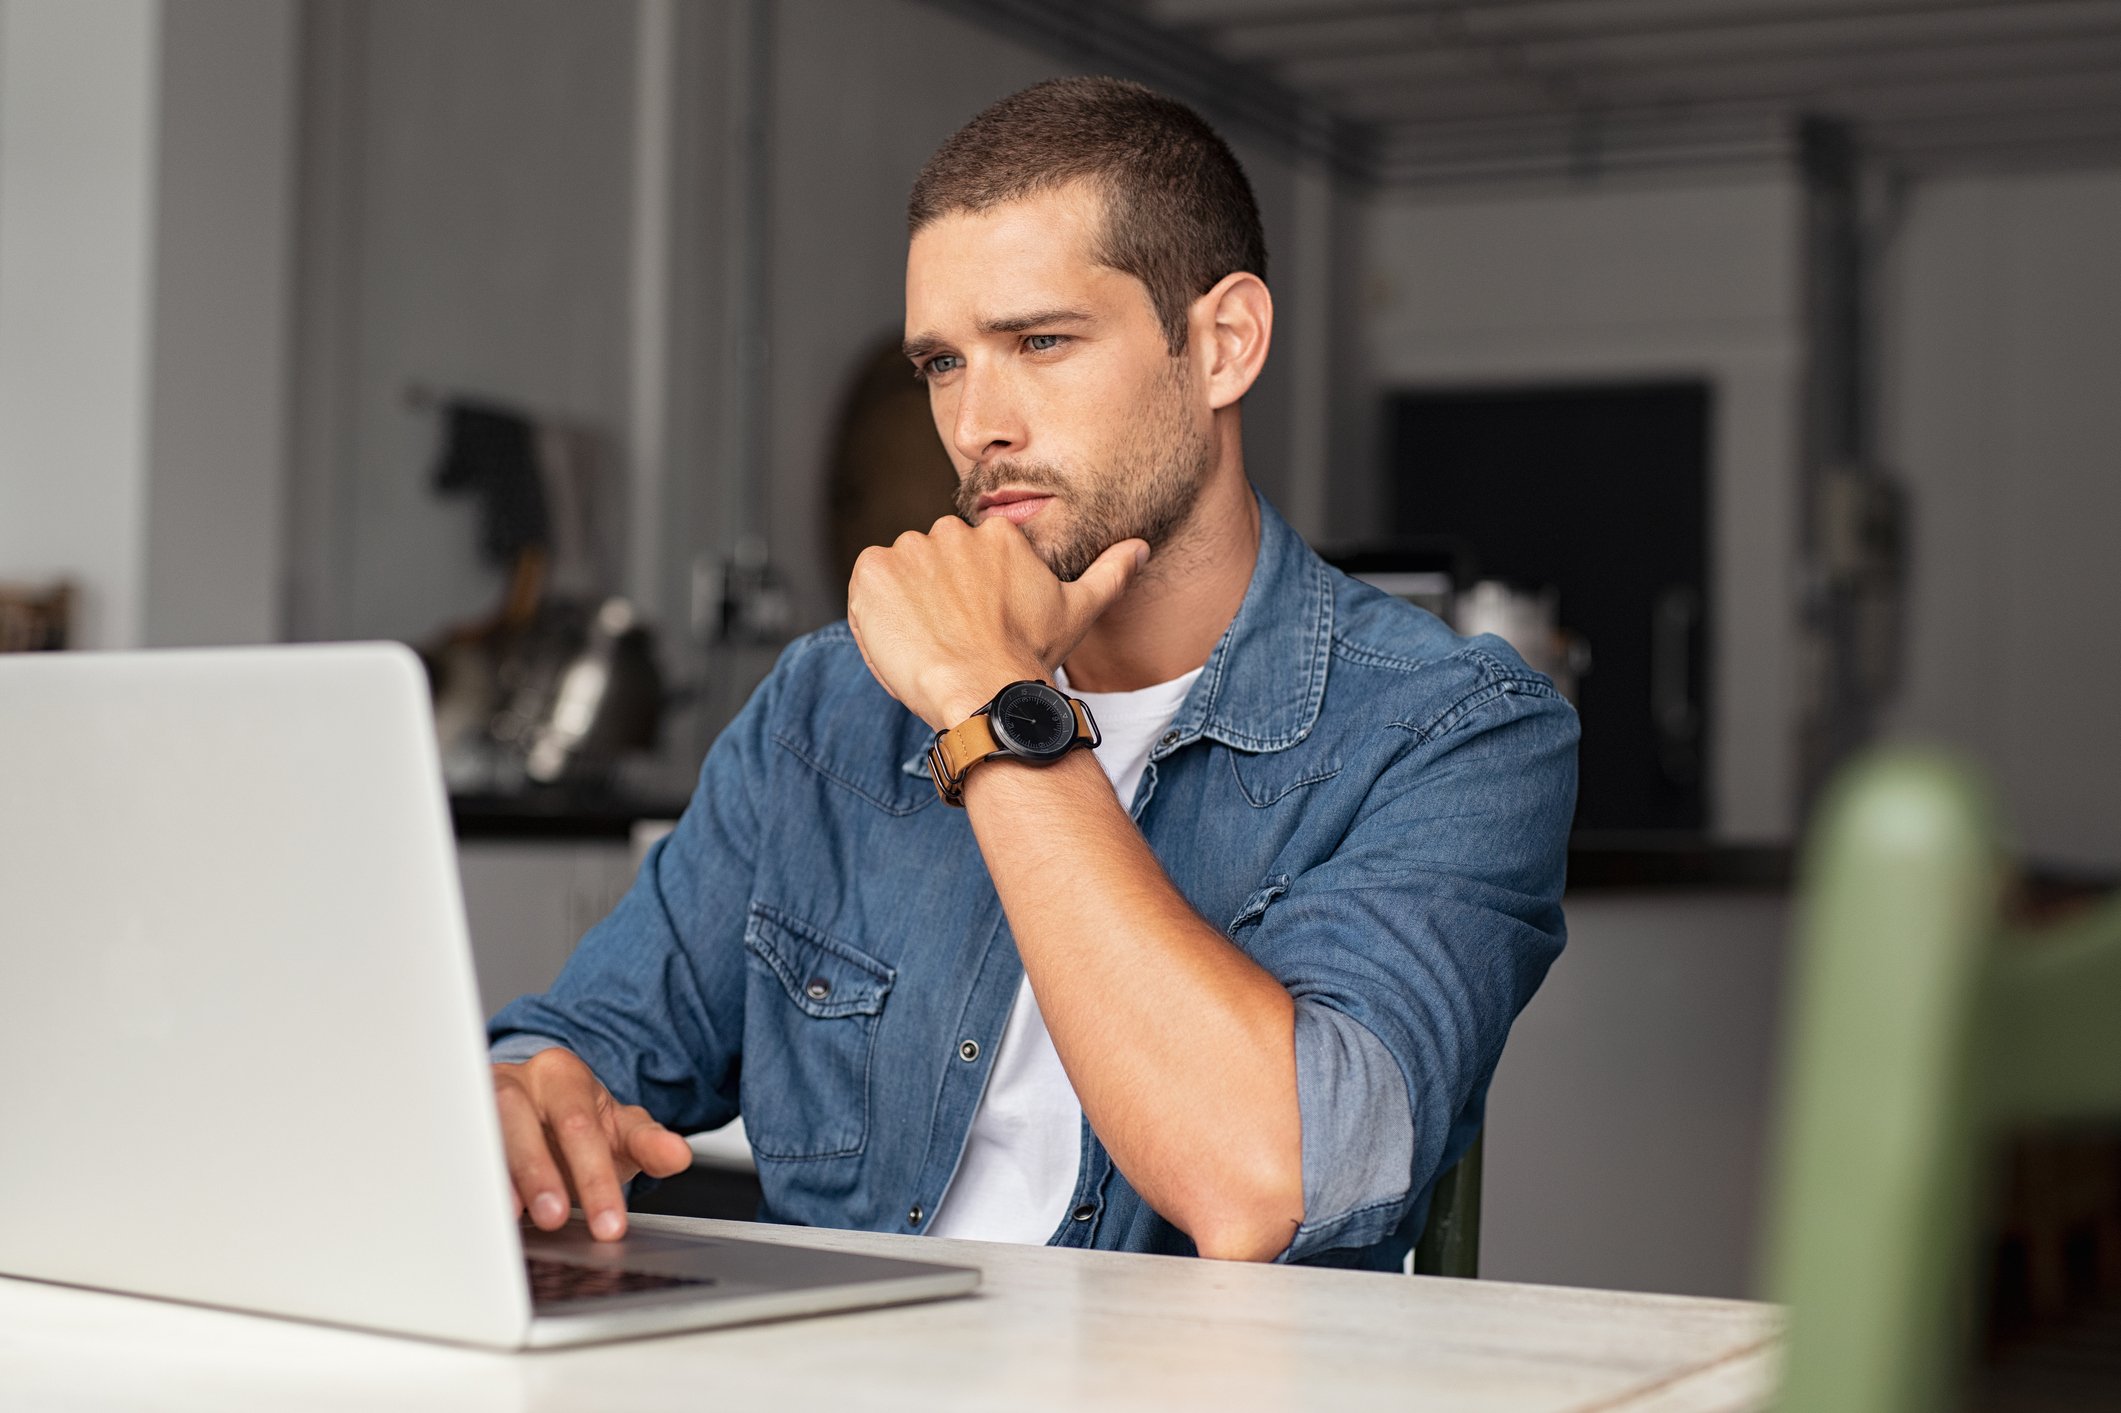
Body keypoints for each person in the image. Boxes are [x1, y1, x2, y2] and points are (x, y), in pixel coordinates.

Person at [488, 76, 1578, 1269]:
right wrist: (527, 1099)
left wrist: (988, 707)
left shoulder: (1455, 730)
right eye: (944, 364)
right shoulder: (826, 706)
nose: (975, 427)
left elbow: (1268, 1178)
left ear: (1223, 345)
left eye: (1042, 342)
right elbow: (582, 1043)